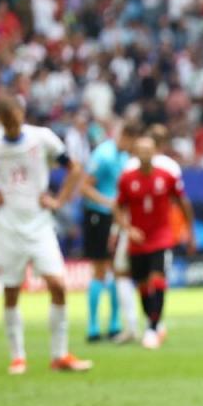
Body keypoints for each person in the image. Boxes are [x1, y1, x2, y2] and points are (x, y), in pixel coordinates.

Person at [0, 96, 92, 374]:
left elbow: (74, 168)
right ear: (0, 120)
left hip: (39, 223)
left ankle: (59, 354)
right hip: (7, 226)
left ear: (22, 112)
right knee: (12, 291)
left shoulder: (43, 138)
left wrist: (59, 200)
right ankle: (18, 357)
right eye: (7, 120)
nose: (13, 124)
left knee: (58, 284)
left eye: (15, 117)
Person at [114, 136, 196, 350]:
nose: (144, 154)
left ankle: (151, 329)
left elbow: (183, 202)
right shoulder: (127, 179)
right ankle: (156, 324)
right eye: (140, 150)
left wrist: (190, 231)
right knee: (142, 284)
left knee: (157, 280)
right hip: (138, 238)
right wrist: (128, 229)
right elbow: (118, 207)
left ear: (155, 152)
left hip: (161, 236)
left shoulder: (166, 177)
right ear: (135, 153)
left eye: (148, 150)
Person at [80, 121, 143, 343]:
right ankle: (93, 326)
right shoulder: (103, 155)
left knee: (117, 269)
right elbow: (84, 187)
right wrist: (108, 202)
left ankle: (115, 324)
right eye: (132, 142)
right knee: (99, 269)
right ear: (125, 136)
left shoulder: (127, 158)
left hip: (118, 218)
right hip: (99, 215)